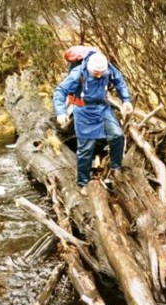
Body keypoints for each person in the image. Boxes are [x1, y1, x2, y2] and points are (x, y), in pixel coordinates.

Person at [53, 47, 133, 195]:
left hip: (103, 108)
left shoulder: (107, 68)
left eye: (101, 73)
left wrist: (126, 100)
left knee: (117, 135)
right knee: (86, 149)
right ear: (89, 67)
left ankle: (116, 168)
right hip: (84, 111)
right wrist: (61, 112)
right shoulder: (78, 73)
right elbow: (60, 91)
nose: (98, 75)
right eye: (95, 73)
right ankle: (83, 182)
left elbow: (119, 81)